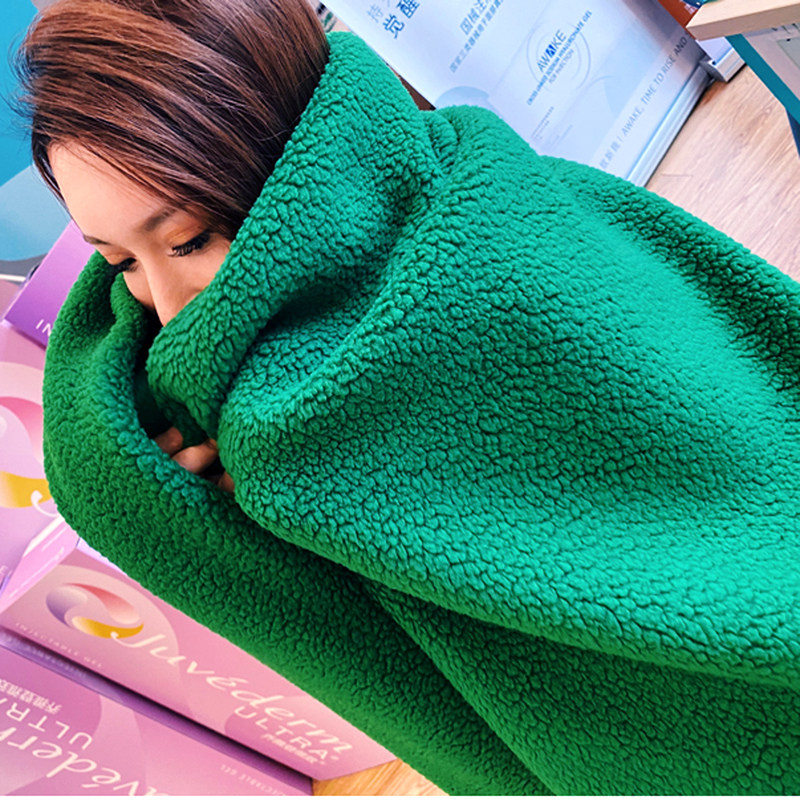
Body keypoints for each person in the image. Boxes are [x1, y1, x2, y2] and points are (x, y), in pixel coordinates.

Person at [15, 0, 800, 794]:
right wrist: (227, 524)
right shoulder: (228, 425)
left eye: (188, 240)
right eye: (121, 263)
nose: (167, 306)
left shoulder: (484, 239)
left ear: (293, 163)